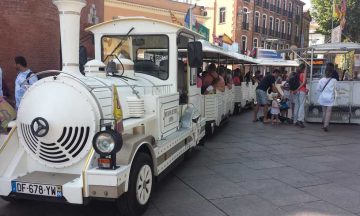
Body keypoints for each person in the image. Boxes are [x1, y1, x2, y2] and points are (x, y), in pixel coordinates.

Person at [292, 63, 307, 128]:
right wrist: (298, 89)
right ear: (304, 68)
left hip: (296, 92)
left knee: (297, 105)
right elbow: (303, 83)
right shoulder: (303, 74)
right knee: (301, 105)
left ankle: (295, 121)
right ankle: (300, 120)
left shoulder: (297, 74)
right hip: (302, 91)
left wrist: (295, 90)